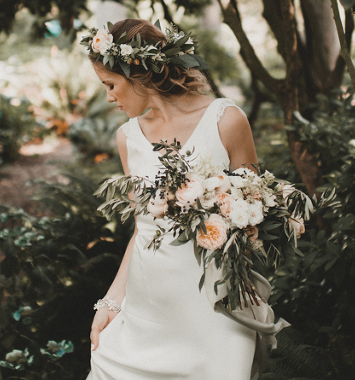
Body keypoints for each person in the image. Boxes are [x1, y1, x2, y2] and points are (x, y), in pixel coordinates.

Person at [84, 19, 267, 380]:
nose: (108, 97)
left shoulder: (226, 120)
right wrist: (112, 300)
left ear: (137, 73)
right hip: (146, 311)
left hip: (213, 306)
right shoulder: (127, 138)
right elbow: (142, 229)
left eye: (110, 84)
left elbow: (255, 212)